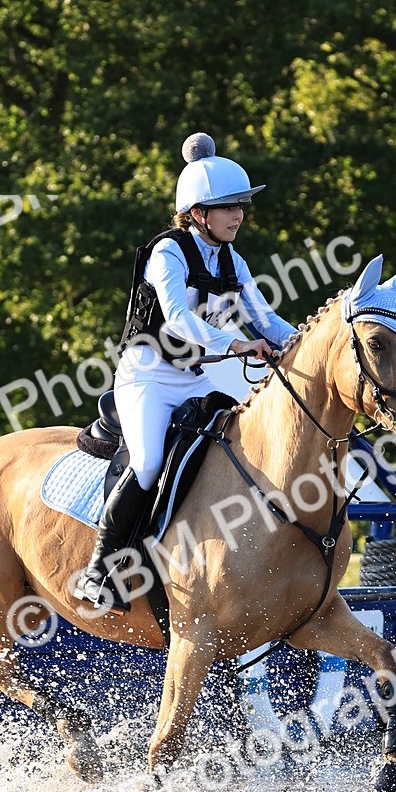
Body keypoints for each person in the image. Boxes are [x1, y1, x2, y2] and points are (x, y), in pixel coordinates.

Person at [74, 132, 298, 611]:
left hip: (196, 376)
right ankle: (100, 567)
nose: (239, 214)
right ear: (199, 213)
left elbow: (264, 319)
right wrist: (237, 343)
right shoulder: (168, 252)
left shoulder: (233, 259)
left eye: (241, 206)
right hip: (147, 377)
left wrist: (302, 344)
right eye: (229, 206)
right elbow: (177, 318)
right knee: (149, 463)